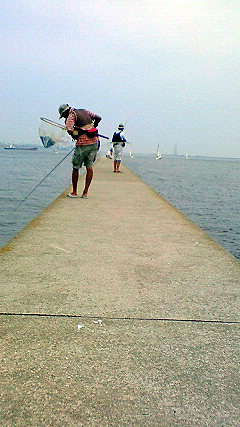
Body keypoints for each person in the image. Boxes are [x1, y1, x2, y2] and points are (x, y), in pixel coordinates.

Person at [58, 104, 101, 198]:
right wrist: (94, 126)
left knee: (76, 167)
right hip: (95, 142)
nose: (64, 117)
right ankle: (85, 193)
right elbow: (98, 117)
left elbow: (71, 132)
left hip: (82, 144)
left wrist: (77, 133)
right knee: (89, 167)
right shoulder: (85, 111)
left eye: (63, 115)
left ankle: (74, 192)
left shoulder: (71, 116)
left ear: (65, 112)